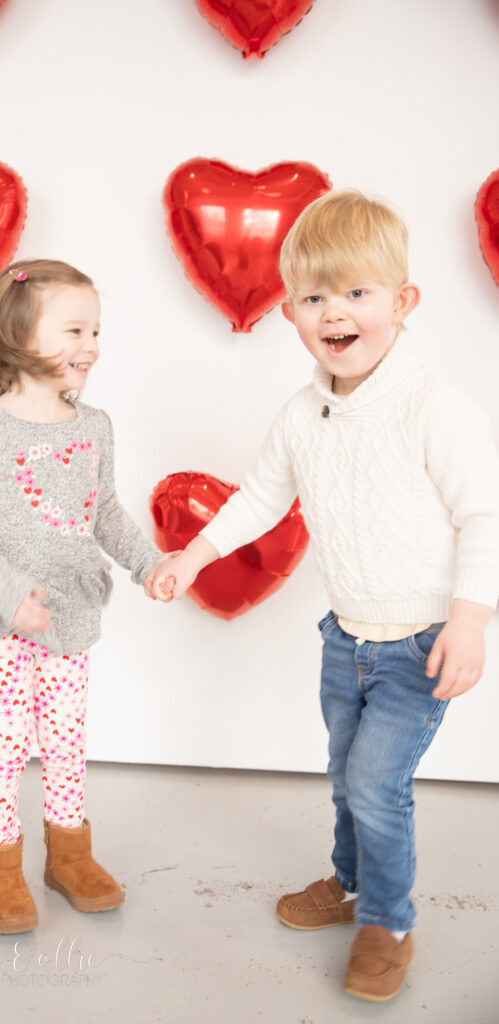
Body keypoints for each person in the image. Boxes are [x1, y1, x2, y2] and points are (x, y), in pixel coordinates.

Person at [147, 190, 499, 1001]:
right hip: (344, 639)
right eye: (312, 298)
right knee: (344, 774)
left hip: (419, 641)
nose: (333, 313)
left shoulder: (432, 408)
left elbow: (484, 514)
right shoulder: (303, 415)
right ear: (289, 314)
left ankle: (388, 919)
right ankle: (346, 884)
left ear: (402, 304)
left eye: (355, 294)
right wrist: (193, 553)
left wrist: (472, 620)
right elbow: (259, 498)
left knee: (378, 784)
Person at [0, 259, 167, 934]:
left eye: (95, 330)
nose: (90, 345)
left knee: (66, 742)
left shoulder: (92, 426)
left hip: (69, 617)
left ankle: (68, 857)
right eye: (73, 328)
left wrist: (148, 565)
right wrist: (11, 597)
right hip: (0, 623)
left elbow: (106, 515)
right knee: (8, 743)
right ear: (17, 334)